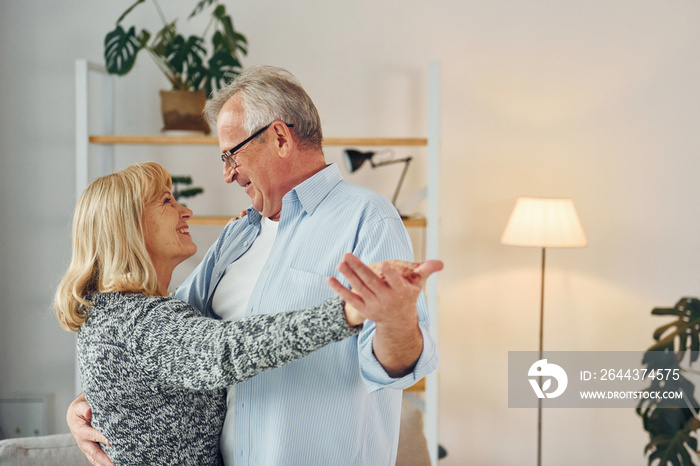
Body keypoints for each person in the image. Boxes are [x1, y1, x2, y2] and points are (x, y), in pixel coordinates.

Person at [69, 66, 440, 465]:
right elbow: (172, 345)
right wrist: (95, 399)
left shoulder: (367, 218)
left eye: (232, 155)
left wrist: (395, 320)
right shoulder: (237, 236)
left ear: (280, 138)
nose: (227, 174)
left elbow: (400, 368)